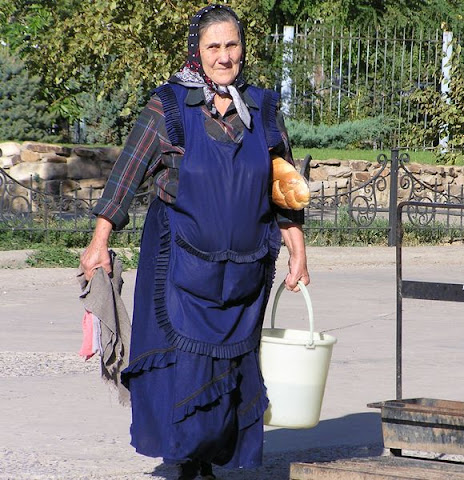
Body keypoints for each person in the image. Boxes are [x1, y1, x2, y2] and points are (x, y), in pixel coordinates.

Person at [80, 5, 310, 479]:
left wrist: (298, 251)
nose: (224, 56)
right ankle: (185, 457)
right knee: (186, 365)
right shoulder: (168, 106)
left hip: (245, 269)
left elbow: (284, 188)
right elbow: (126, 175)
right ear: (197, 52)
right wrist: (99, 240)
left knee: (231, 366)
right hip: (180, 263)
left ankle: (210, 457)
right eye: (214, 46)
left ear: (243, 49)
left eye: (232, 45)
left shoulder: (263, 109)